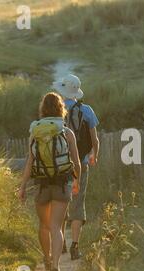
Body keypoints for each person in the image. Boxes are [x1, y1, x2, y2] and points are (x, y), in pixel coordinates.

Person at [18, 92, 81, 271]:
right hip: (62, 183)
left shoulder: (35, 132)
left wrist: (22, 186)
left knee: (44, 226)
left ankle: (46, 258)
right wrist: (76, 181)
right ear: (61, 108)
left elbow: (30, 161)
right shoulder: (66, 132)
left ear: (43, 109)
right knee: (56, 227)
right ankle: (55, 267)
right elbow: (76, 162)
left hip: (42, 184)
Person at [53, 74, 100, 260]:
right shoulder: (87, 110)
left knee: (62, 201)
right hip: (81, 162)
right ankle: (75, 247)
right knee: (78, 202)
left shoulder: (56, 110)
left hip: (60, 164)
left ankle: (61, 242)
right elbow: (95, 139)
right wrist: (94, 155)